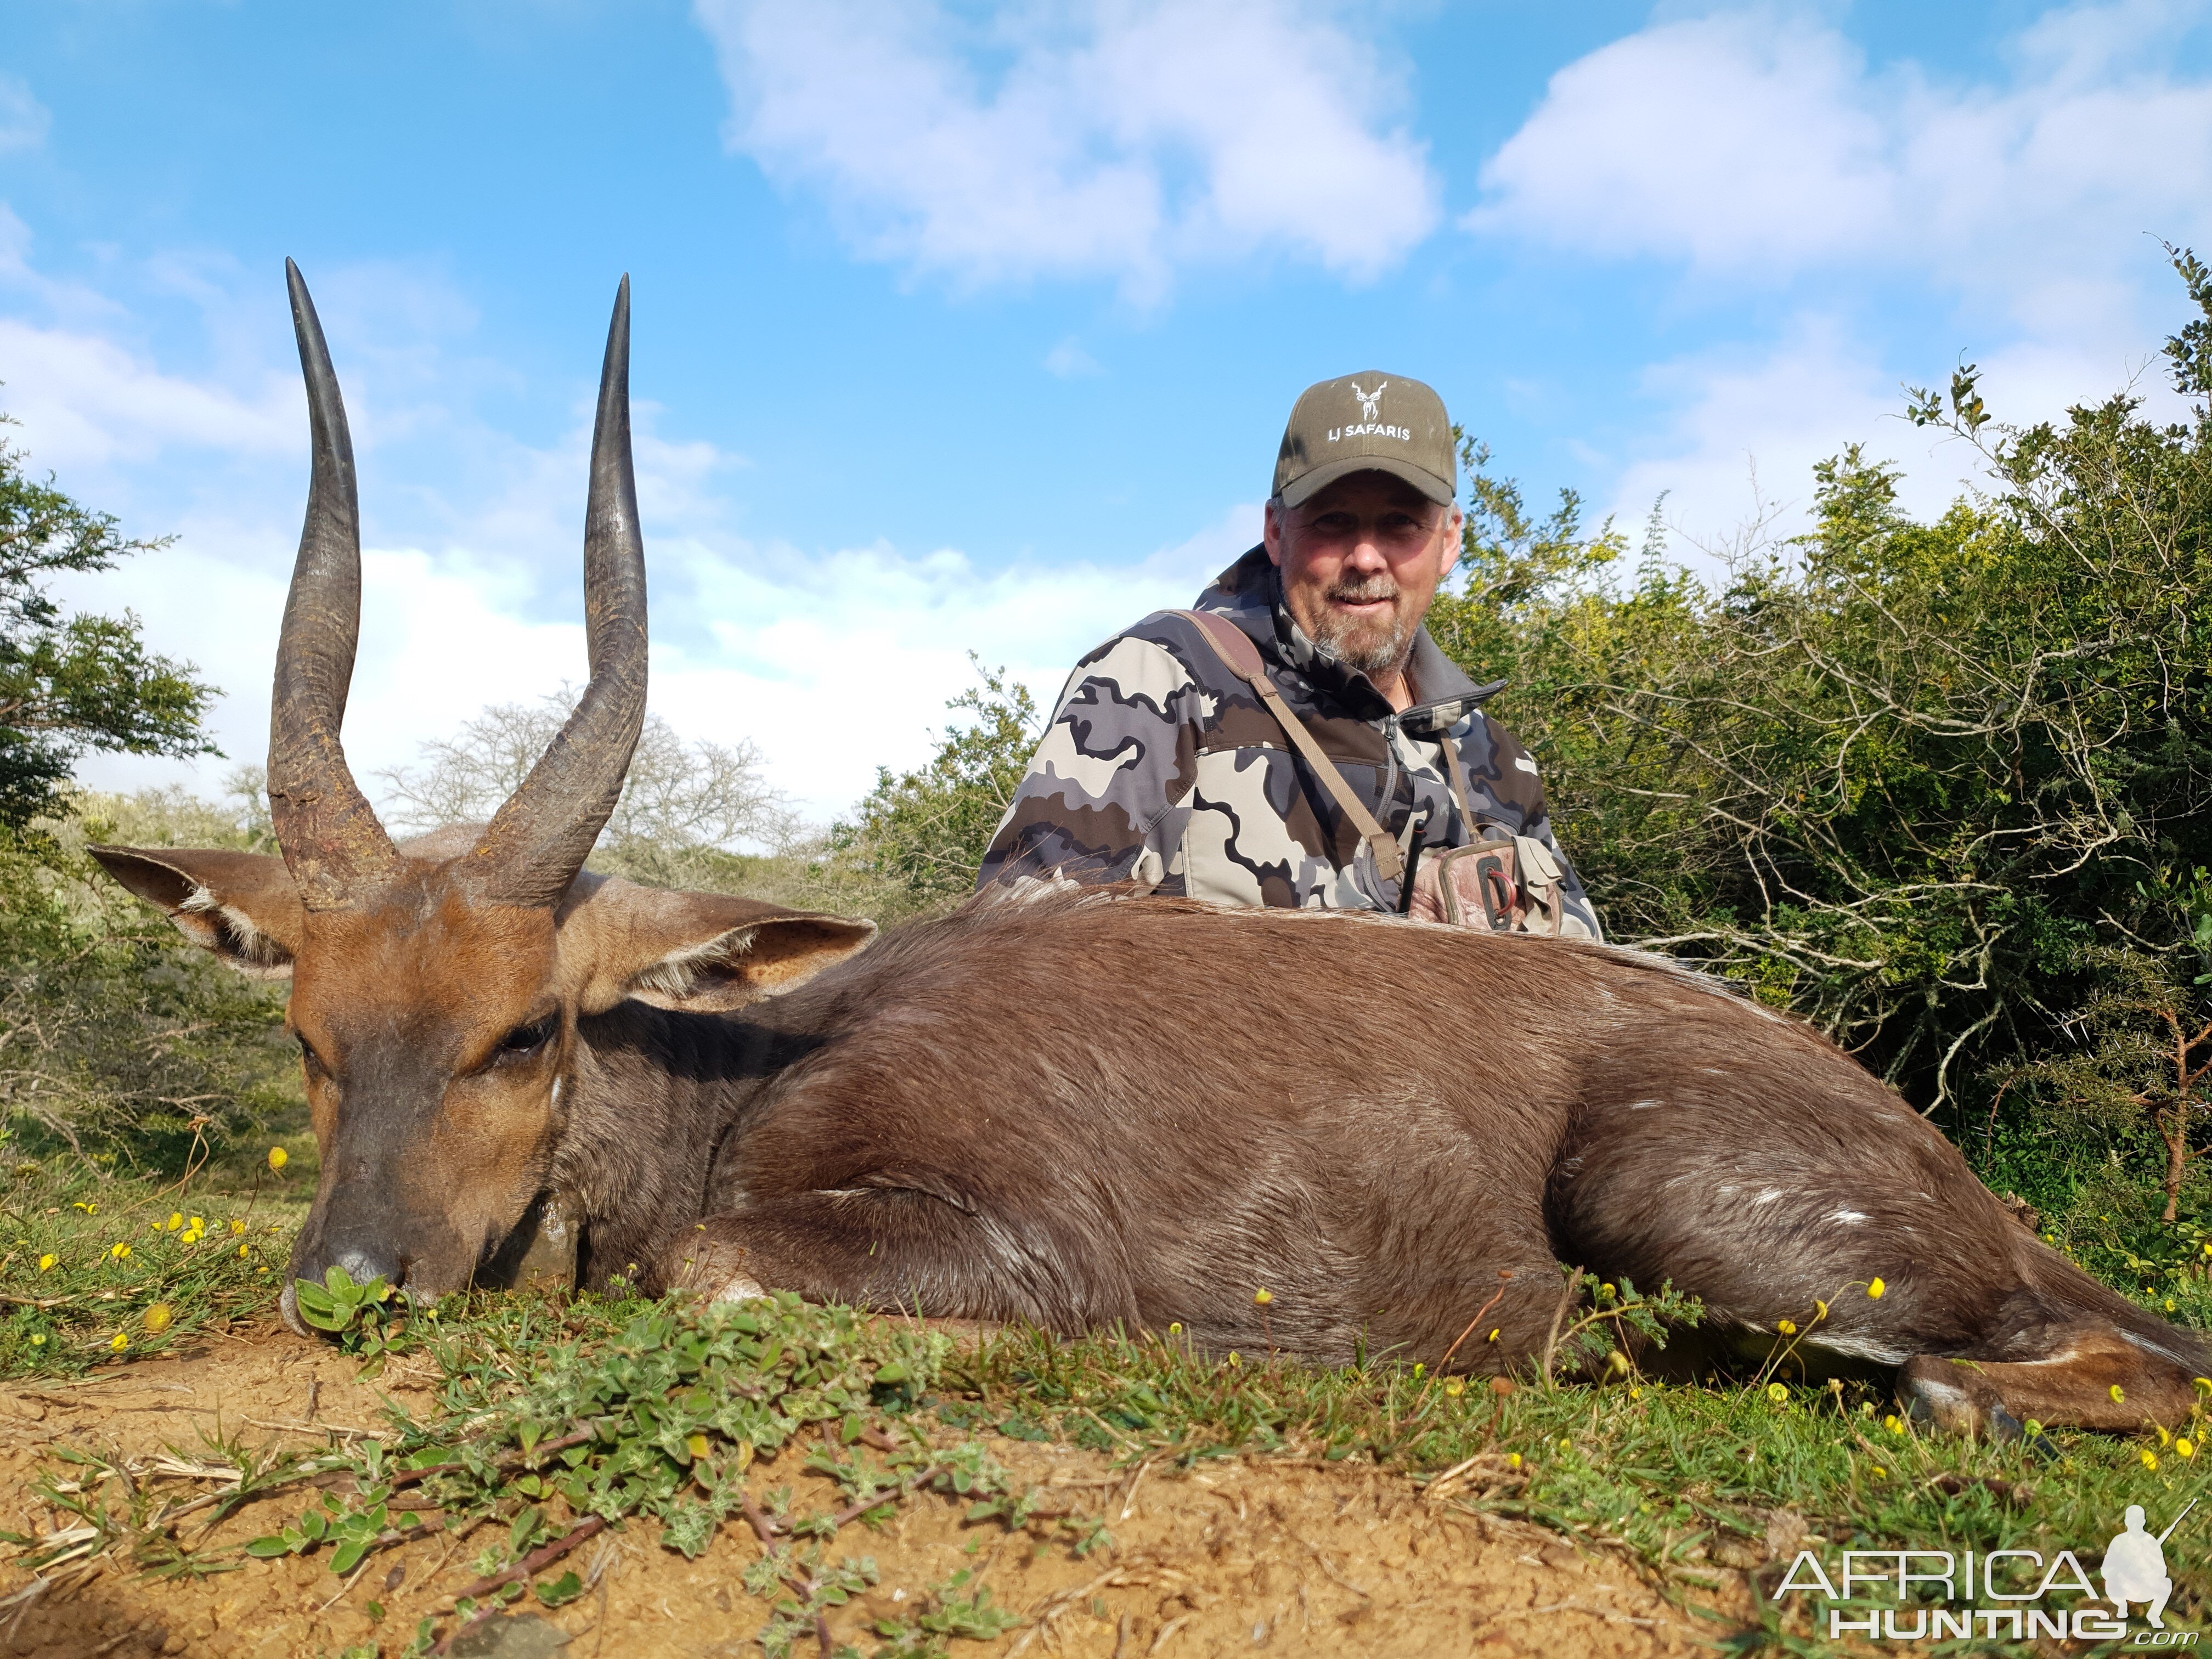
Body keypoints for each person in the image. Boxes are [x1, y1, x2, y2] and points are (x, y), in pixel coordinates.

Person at [977, 370, 1600, 937]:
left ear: (1448, 541)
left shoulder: (1497, 757)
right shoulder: (1162, 680)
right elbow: (1017, 960)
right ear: (1275, 531)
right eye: (1331, 521)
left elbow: (1589, 988)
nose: (1364, 557)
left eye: (1400, 524)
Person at [2103, 1504, 2174, 1628]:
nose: (2135, 1524)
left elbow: (2162, 1570)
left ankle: (2154, 1615)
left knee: (2166, 1583)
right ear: (2126, 1522)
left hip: (2144, 1586)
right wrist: (2123, 1570)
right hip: (2122, 1586)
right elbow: (2106, 1569)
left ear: (2143, 1522)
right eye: (2132, 1521)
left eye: (2138, 1521)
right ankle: (2122, 1608)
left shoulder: (2150, 1541)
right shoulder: (2119, 1541)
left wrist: (2147, 1569)